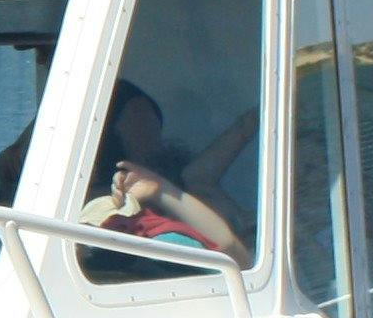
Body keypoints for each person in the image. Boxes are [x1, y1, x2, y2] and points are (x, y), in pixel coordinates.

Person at [82, 83, 252, 268]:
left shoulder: (189, 184)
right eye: (139, 126)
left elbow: (232, 250)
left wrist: (160, 190)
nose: (151, 136)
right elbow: (231, 251)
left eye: (152, 125)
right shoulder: (101, 207)